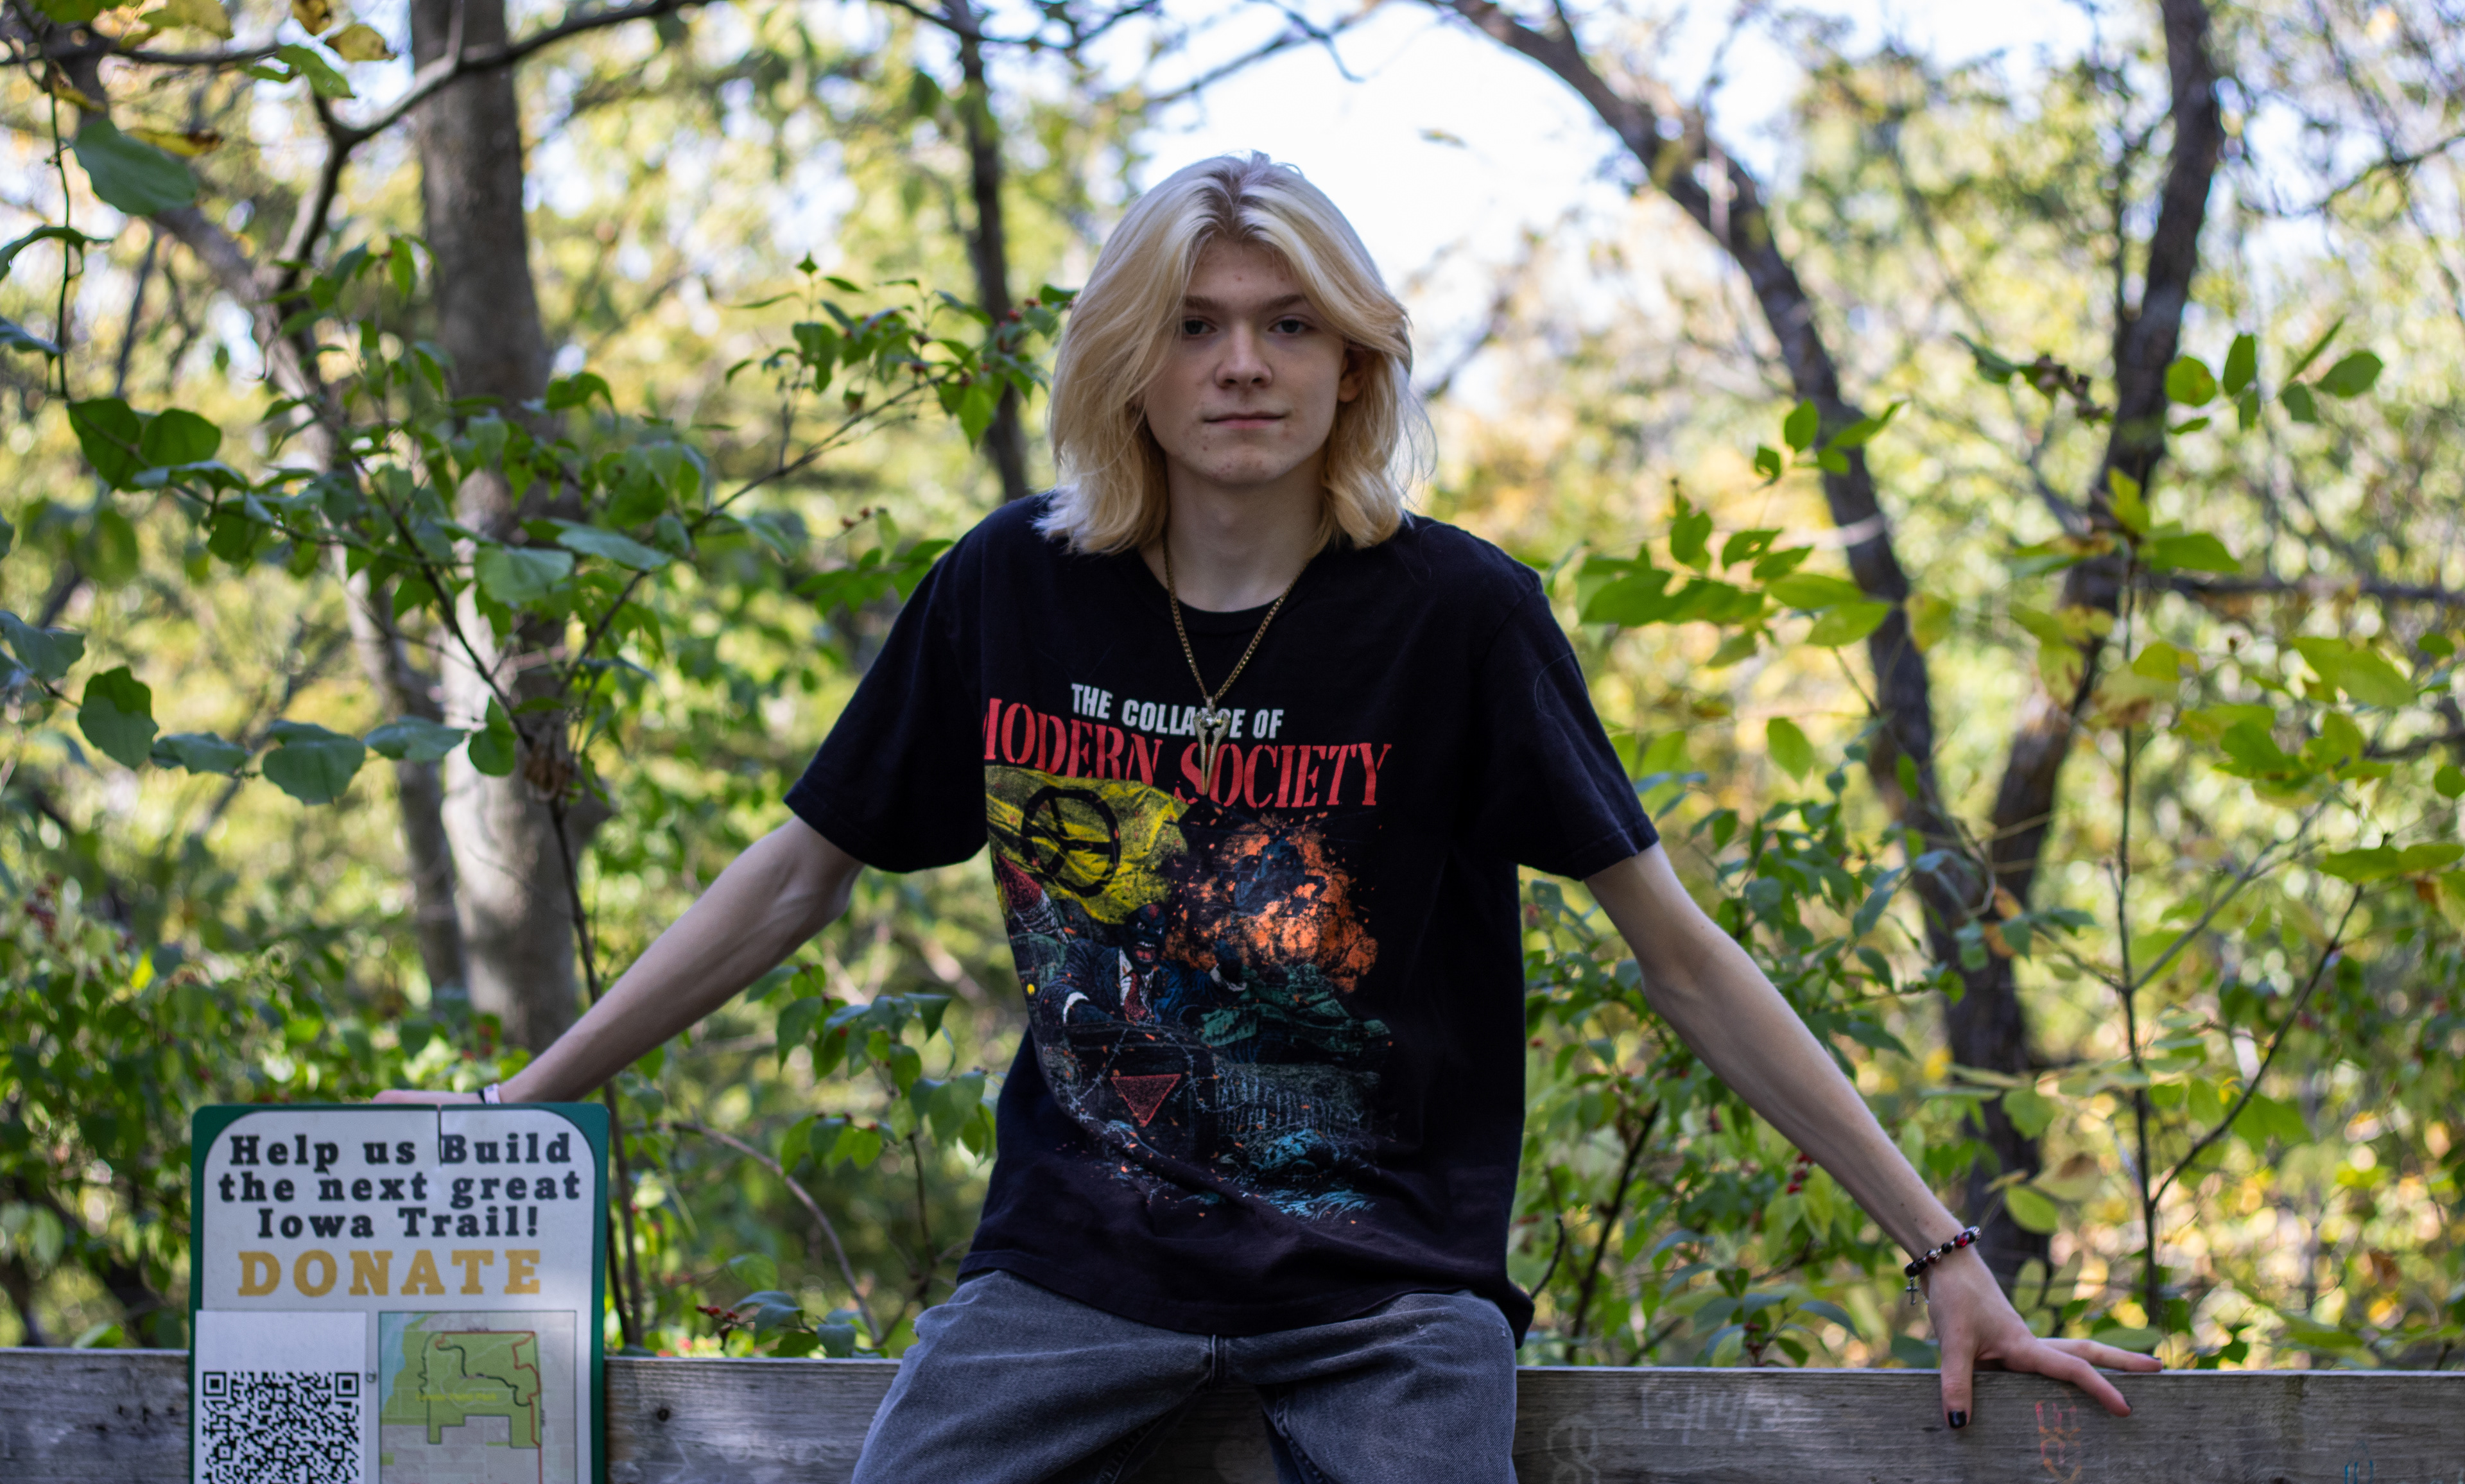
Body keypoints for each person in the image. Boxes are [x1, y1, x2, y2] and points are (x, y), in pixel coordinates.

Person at [382, 152, 2156, 1481]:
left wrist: (1945, 1253)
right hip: (1071, 1274)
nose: (1245, 364)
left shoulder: (1459, 618)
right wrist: (517, 1107)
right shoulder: (1012, 588)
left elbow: (1680, 956)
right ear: (1130, 365)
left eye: (1290, 324)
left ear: (1354, 364)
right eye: (1199, 326)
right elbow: (794, 880)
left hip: (1387, 1294)